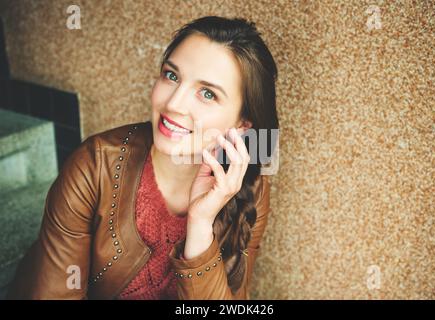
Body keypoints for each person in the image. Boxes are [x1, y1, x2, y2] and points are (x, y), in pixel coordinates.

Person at [7, 15, 278, 300]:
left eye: (207, 94)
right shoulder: (94, 164)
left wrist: (200, 225)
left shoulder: (249, 188)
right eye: (171, 75)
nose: (173, 104)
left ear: (242, 125)